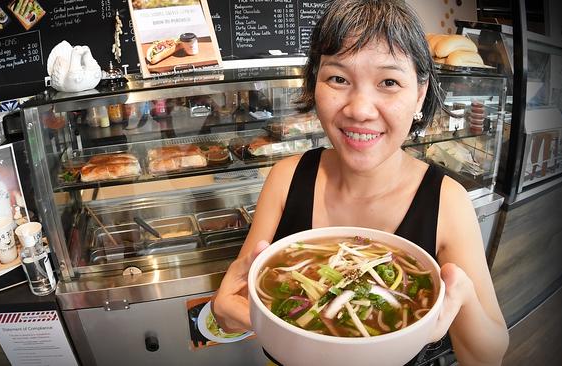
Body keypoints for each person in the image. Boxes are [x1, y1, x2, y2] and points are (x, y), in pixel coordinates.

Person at [212, 0, 509, 364]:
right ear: (314, 84)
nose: (360, 109)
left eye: (389, 82)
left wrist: (462, 295)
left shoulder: (448, 201)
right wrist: (224, 313)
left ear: (419, 94)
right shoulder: (286, 178)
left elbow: (487, 357)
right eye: (338, 78)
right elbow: (238, 302)